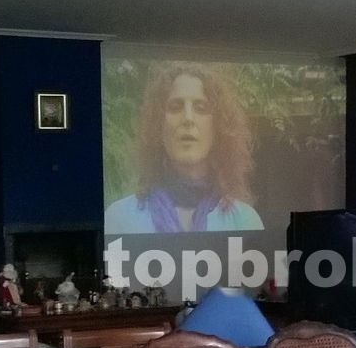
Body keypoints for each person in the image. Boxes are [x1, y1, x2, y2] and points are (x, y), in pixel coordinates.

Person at [104, 63, 263, 233]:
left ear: (218, 127)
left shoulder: (243, 221)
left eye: (201, 108)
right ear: (158, 125)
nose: (188, 118)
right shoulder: (119, 219)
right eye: (175, 107)